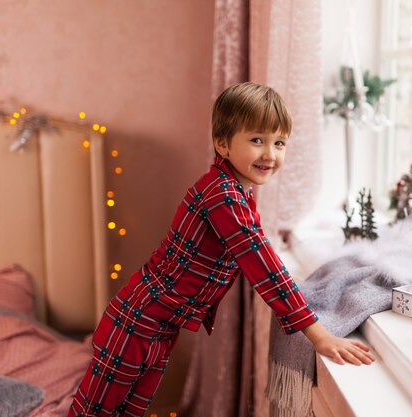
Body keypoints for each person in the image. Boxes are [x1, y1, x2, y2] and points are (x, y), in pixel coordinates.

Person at [68, 82, 374, 417]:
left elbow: (261, 255)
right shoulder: (222, 195)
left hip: (158, 326)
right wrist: (319, 336)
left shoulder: (239, 193)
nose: (270, 154)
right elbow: (265, 268)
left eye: (279, 142)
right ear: (223, 144)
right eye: (257, 140)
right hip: (138, 322)